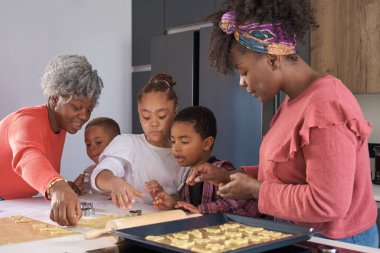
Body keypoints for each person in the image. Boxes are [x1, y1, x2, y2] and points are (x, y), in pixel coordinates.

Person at [186, 0, 379, 248]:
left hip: (340, 243)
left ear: (273, 59)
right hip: (308, 238)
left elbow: (327, 203)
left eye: (244, 72)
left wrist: (256, 190)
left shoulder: (326, 105)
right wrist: (229, 177)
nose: (242, 83)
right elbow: (289, 170)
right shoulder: (293, 102)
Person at [0, 54, 104, 226]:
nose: (84, 116)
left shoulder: (59, 127)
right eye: (77, 107)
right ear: (55, 98)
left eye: (89, 109)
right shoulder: (27, 121)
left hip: (14, 204)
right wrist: (56, 185)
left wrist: (63, 186)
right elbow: (28, 157)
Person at [90, 73, 187, 209]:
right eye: (146, 117)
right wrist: (113, 182)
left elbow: (185, 198)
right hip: (128, 221)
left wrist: (169, 199)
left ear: (175, 112)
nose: (153, 123)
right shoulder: (128, 143)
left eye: (161, 116)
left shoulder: (183, 155)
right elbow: (99, 174)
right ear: (139, 115)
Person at [149, 106, 258, 217]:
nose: (175, 148)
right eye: (173, 141)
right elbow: (191, 210)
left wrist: (203, 210)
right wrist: (173, 204)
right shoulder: (187, 174)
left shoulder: (222, 170)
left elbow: (247, 204)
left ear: (206, 143)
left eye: (184, 141)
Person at [73, 117, 121, 195]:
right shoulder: (88, 172)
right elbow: (86, 193)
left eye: (98, 142)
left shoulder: (125, 171)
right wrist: (78, 187)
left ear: (116, 143)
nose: (92, 148)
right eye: (88, 144)